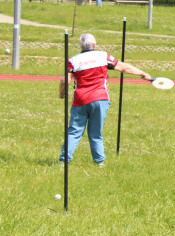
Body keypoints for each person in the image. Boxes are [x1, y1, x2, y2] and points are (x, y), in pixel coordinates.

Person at [59, 33, 152, 165]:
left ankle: (64, 161)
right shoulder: (103, 56)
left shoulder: (73, 60)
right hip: (100, 98)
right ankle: (99, 162)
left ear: (80, 46)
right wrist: (142, 73)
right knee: (96, 133)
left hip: (81, 100)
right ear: (94, 45)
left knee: (74, 131)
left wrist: (61, 93)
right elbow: (123, 67)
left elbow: (65, 80)